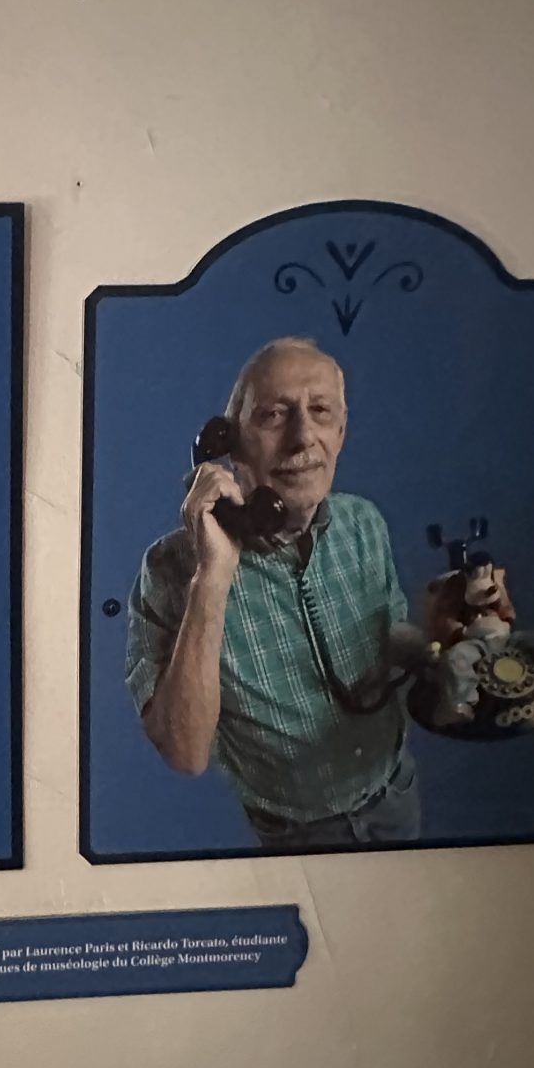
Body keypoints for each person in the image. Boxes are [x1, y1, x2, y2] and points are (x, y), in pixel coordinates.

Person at [125, 337, 419, 849]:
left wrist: (444, 641)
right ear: (228, 443)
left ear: (341, 432)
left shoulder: (364, 523)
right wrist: (212, 577)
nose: (303, 438)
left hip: (396, 793)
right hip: (299, 836)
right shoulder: (169, 570)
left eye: (321, 412)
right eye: (274, 416)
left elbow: (386, 640)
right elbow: (184, 752)